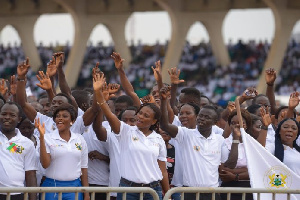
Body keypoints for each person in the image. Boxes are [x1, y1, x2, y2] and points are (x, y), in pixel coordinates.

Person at [92, 72, 169, 200]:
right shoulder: (126, 131)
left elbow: (163, 171)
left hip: (153, 190)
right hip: (129, 190)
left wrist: (167, 193)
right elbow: (109, 114)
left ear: (154, 121)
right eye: (140, 113)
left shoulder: (158, 139)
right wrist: (98, 93)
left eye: (146, 116)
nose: (140, 117)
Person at [160, 86, 224, 200]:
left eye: (206, 117)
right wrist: (164, 101)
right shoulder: (185, 133)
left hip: (213, 192)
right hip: (187, 191)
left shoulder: (219, 138)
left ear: (214, 122)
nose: (202, 119)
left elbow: (226, 164)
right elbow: (165, 125)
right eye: (201, 116)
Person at [35, 103, 89, 200]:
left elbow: (84, 168)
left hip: (74, 187)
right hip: (52, 186)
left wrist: (86, 193)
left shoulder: (79, 139)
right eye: (57, 116)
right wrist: (42, 138)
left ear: (72, 121)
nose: (60, 118)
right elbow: (45, 164)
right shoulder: (47, 138)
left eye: (65, 116)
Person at [0, 102, 37, 200]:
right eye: (3, 114)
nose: (7, 117)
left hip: (17, 194)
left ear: (19, 119)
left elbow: (30, 174)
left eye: (12, 115)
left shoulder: (27, 144)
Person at [219, 109, 253, 200]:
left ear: (246, 125)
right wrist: (235, 139)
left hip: (250, 189)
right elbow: (224, 171)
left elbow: (255, 170)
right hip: (229, 190)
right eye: (233, 123)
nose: (236, 125)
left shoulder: (253, 144)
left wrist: (234, 176)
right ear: (229, 125)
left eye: (241, 123)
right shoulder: (224, 143)